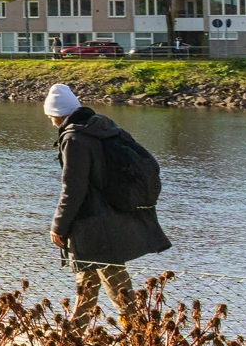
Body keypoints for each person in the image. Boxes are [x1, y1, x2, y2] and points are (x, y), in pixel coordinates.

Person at [46, 82, 170, 321]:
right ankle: (72, 339)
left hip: (94, 225)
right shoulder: (104, 127)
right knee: (86, 286)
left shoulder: (74, 138)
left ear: (54, 113)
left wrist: (58, 226)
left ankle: (140, 338)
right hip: (113, 215)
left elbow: (73, 188)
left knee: (118, 288)